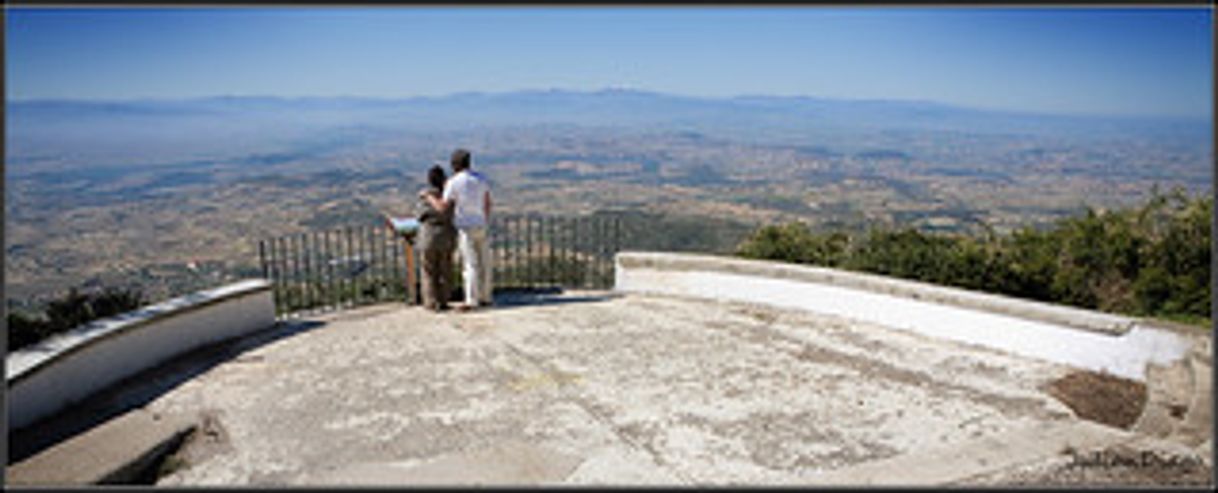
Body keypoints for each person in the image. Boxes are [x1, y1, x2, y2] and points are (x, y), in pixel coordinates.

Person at [422, 148, 493, 311]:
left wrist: (429, 197)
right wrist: (484, 219)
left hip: (465, 226)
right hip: (481, 223)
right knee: (485, 263)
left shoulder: (454, 182)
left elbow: (442, 207)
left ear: (454, 165)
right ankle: (486, 296)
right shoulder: (481, 178)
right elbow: (487, 202)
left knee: (470, 264)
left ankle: (471, 300)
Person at [417, 165, 458, 311]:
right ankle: (444, 300)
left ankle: (430, 301)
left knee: (428, 271)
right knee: (445, 270)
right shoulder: (448, 197)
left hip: (428, 237)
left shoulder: (425, 197)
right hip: (446, 236)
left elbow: (419, 216)